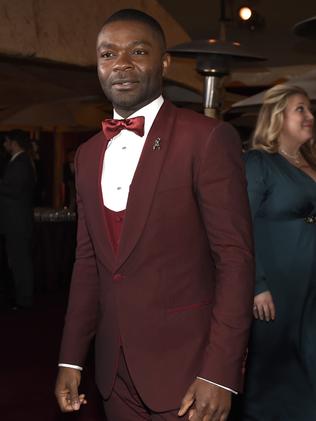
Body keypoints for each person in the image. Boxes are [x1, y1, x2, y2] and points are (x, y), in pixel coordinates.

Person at [55, 9, 254, 421]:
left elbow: (235, 260)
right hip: (114, 374)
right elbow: (89, 263)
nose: (121, 64)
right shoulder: (87, 154)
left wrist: (220, 374)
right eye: (108, 54)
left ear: (163, 62)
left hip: (188, 372)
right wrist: (71, 359)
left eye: (138, 51)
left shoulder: (207, 138)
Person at [241, 84, 316, 420]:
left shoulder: (310, 162)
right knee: (275, 378)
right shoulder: (259, 162)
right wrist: (256, 285)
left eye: (310, 109)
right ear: (276, 116)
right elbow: (239, 227)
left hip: (311, 288)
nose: (310, 116)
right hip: (276, 292)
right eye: (300, 109)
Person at [0, 130, 35, 309]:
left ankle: (24, 301)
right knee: (17, 261)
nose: (5, 145)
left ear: (14, 143)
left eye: (6, 142)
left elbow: (14, 190)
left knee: (20, 262)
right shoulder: (19, 161)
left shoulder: (21, 163)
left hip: (17, 222)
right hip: (15, 222)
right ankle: (21, 299)